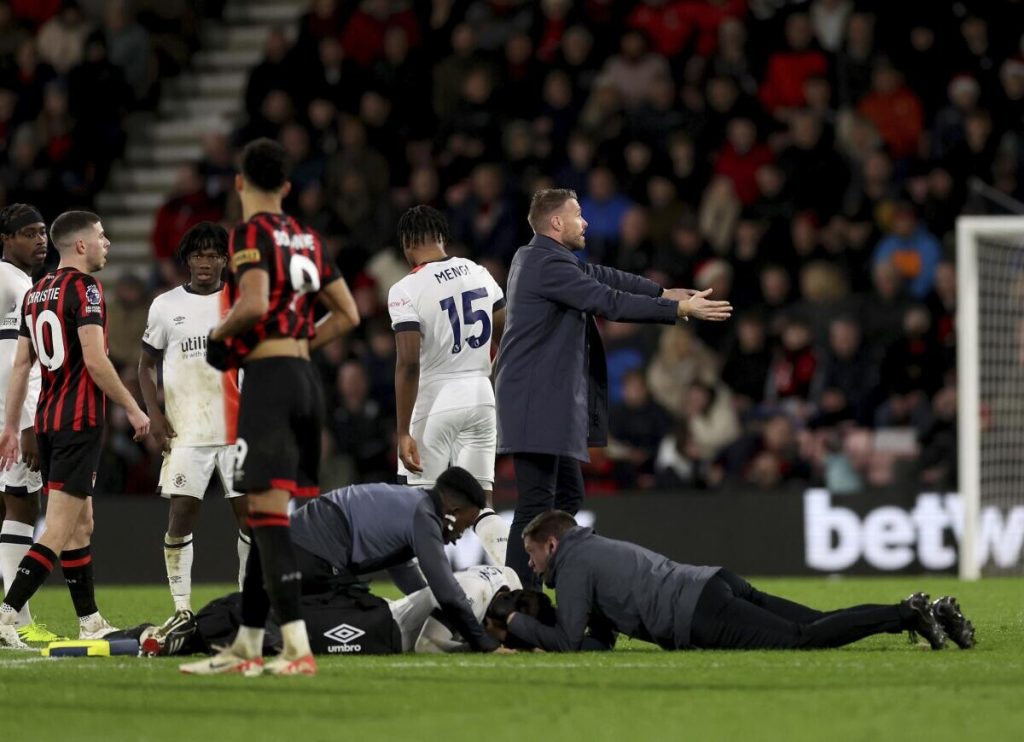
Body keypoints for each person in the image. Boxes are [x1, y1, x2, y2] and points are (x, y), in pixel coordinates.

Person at [181, 138, 359, 676]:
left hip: (272, 382)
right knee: (266, 514)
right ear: (286, 185)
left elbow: (254, 302)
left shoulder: (250, 233)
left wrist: (221, 332)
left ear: (240, 183)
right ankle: (248, 646)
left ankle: (298, 649)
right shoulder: (307, 236)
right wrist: (301, 345)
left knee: (268, 518)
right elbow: (348, 314)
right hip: (305, 379)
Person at [494, 188, 732, 587]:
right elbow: (607, 301)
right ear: (556, 223)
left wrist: (662, 292)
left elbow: (603, 276)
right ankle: (518, 600)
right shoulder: (543, 264)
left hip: (547, 402)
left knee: (567, 499)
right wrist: (678, 309)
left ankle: (552, 580)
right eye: (577, 214)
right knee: (536, 506)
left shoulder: (544, 258)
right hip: (534, 400)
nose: (584, 222)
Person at [496, 511, 976, 653]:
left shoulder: (573, 565)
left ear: (551, 545)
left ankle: (904, 614)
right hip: (713, 582)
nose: (531, 564)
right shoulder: (591, 548)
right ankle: (915, 612)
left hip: (697, 612)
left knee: (801, 640)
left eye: (532, 553)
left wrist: (518, 622)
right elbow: (598, 641)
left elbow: (567, 639)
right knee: (817, 621)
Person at [0, 210, 151, 649]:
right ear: (80, 245)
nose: (107, 244)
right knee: (60, 527)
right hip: (77, 420)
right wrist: (134, 408)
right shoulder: (85, 289)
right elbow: (95, 359)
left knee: (82, 523)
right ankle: (8, 613)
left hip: (45, 421)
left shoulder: (37, 292)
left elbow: (21, 365)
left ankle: (90, 620)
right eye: (101, 237)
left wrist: (12, 425)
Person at [138, 222, 248, 642]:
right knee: (182, 513)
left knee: (251, 518)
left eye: (213, 255)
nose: (205, 262)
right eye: (198, 255)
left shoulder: (240, 302)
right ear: (187, 260)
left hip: (237, 428)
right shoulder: (165, 306)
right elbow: (145, 366)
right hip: (186, 430)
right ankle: (182, 608)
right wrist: (155, 413)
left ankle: (247, 603)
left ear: (225, 259)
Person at [387, 205, 509, 566]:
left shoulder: (405, 289)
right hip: (481, 395)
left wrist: (403, 431)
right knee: (481, 503)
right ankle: (511, 581)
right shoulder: (480, 272)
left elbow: (408, 363)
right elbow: (507, 332)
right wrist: (486, 367)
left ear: (408, 243)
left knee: (421, 510)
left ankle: (432, 601)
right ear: (441, 237)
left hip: (434, 400)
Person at [279, 466, 508, 655]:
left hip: (297, 547)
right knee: (360, 623)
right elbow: (446, 591)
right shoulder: (424, 516)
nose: (459, 537)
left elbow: (406, 574)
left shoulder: (412, 504)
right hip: (309, 553)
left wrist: (430, 614)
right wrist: (482, 642)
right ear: (454, 511)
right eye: (465, 527)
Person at [0, 203, 61, 644]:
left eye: (42, 232)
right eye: (29, 233)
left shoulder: (21, 283)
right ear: (6, 238)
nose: (40, 240)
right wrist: (23, 423)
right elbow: (10, 362)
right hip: (12, 416)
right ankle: (16, 618)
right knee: (23, 507)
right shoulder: (13, 286)